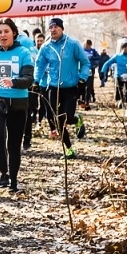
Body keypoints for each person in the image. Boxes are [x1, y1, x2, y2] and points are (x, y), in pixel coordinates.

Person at [0, 18, 37, 193]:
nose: (3, 35)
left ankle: (13, 178)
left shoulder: (23, 53)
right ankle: (3, 173)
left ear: (13, 33)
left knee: (13, 144)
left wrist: (14, 82)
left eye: (6, 31)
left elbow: (29, 79)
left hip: (17, 104)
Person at [36, 17, 90, 160]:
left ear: (62, 28)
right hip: (53, 87)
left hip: (71, 87)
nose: (53, 29)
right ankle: (69, 149)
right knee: (55, 119)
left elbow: (85, 63)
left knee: (66, 117)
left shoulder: (72, 44)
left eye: (56, 27)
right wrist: (36, 80)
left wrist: (82, 77)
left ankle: (76, 119)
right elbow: (39, 65)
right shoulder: (46, 47)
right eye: (51, 27)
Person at [101, 43, 127, 112]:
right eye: (125, 48)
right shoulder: (117, 56)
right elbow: (107, 63)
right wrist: (102, 72)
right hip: (119, 76)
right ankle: (120, 100)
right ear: (122, 48)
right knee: (119, 91)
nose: (126, 49)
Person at [82, 39, 102, 108]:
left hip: (90, 70)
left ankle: (87, 102)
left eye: (89, 46)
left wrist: (93, 59)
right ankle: (81, 100)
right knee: (81, 86)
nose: (87, 47)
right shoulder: (81, 50)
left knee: (88, 86)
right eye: (87, 46)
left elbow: (99, 57)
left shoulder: (93, 51)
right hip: (81, 70)